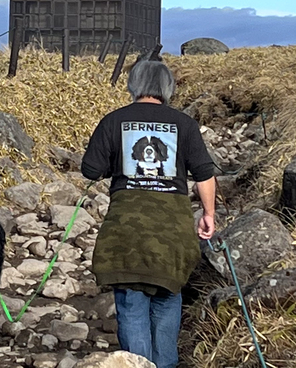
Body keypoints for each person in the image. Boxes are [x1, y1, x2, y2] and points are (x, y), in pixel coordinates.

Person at [81, 59, 217, 368]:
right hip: (173, 231)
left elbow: (90, 169)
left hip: (125, 231)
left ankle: (138, 364)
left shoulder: (114, 120)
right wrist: (208, 214)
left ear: (133, 85)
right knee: (168, 297)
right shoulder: (184, 124)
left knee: (131, 303)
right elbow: (205, 175)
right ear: (168, 88)